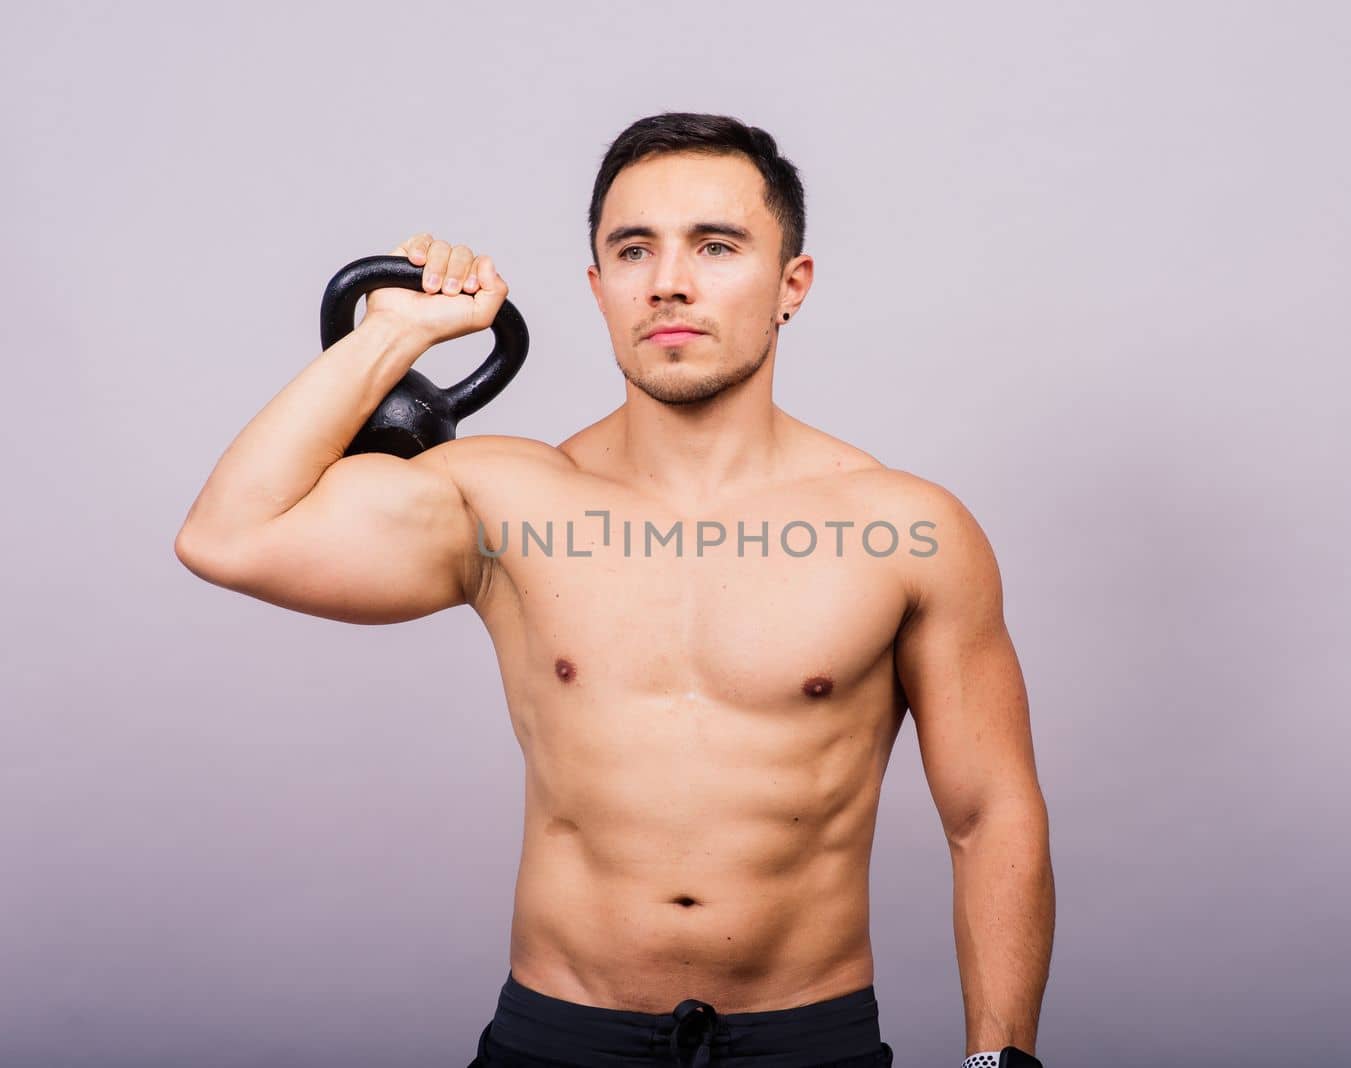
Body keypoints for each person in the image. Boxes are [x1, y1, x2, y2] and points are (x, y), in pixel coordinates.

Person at [174, 112, 1054, 1068]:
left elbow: (990, 813)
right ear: (598, 289)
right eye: (633, 250)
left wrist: (995, 1061)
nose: (669, 280)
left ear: (790, 285)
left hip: (808, 1042)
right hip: (559, 1036)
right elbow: (229, 536)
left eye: (716, 246)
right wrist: (394, 333)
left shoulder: (909, 529)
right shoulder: (507, 500)